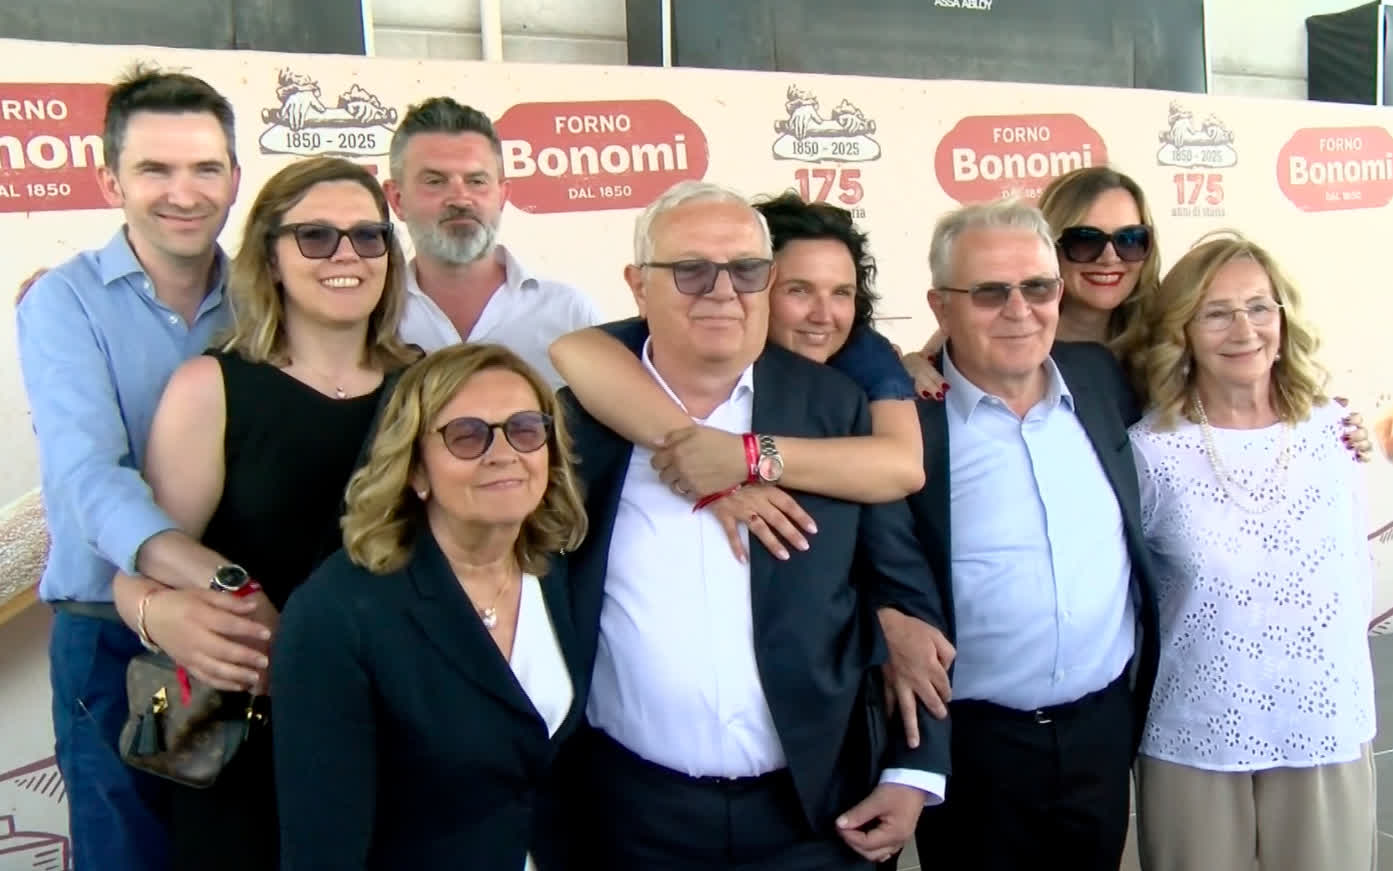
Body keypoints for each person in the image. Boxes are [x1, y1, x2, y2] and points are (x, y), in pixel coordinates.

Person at [555, 180, 951, 869]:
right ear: (638, 286)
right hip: (626, 815)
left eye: (745, 270)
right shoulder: (576, 423)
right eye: (690, 269)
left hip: (814, 816)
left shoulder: (837, 407)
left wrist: (913, 769)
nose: (721, 291)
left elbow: (902, 589)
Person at [110, 156, 420, 869]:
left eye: (367, 236)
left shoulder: (427, 386)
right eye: (316, 236)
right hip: (243, 742)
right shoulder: (212, 388)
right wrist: (162, 614)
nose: (346, 254)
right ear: (271, 258)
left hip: (394, 730)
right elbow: (136, 569)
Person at [15, 66, 241, 871]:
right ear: (110, 180)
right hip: (116, 640)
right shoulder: (63, 302)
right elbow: (89, 476)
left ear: (235, 176)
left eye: (205, 167)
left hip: (239, 638)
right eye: (155, 169)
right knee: (130, 856)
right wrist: (212, 580)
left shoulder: (269, 296)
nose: (183, 192)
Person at [904, 199, 1160, 871]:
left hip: (1100, 734)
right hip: (972, 749)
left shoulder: (1103, 378)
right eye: (990, 292)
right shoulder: (904, 417)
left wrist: (1316, 419)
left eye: (1038, 287)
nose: (1019, 309)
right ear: (940, 306)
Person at [271, 343, 587, 870]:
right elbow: (322, 848)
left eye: (525, 429)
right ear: (416, 469)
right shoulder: (337, 614)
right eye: (467, 435)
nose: (503, 453)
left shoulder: (553, 569)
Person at [1128, 232, 1376, 871]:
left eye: (1260, 307)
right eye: (1216, 313)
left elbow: (1355, 577)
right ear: (1182, 330)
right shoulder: (1150, 451)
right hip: (1194, 730)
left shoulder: (1334, 435)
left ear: (1283, 319)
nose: (1244, 330)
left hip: (1323, 725)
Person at [900, 167, 1375, 459]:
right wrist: (907, 367)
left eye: (1130, 239)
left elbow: (1253, 390)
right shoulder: (1005, 334)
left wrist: (1324, 428)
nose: (1110, 258)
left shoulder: (1170, 328)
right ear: (1050, 248)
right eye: (1085, 241)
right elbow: (931, 362)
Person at [549, 191, 923, 543]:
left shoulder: (856, 364)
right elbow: (574, 349)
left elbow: (902, 469)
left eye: (842, 292)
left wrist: (745, 457)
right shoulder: (664, 335)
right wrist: (708, 470)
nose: (724, 291)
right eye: (798, 290)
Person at [384, 97, 603, 387]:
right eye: (435, 181)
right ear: (397, 199)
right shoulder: (374, 318)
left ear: (502, 195)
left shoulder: (570, 314)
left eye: (476, 181)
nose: (460, 199)